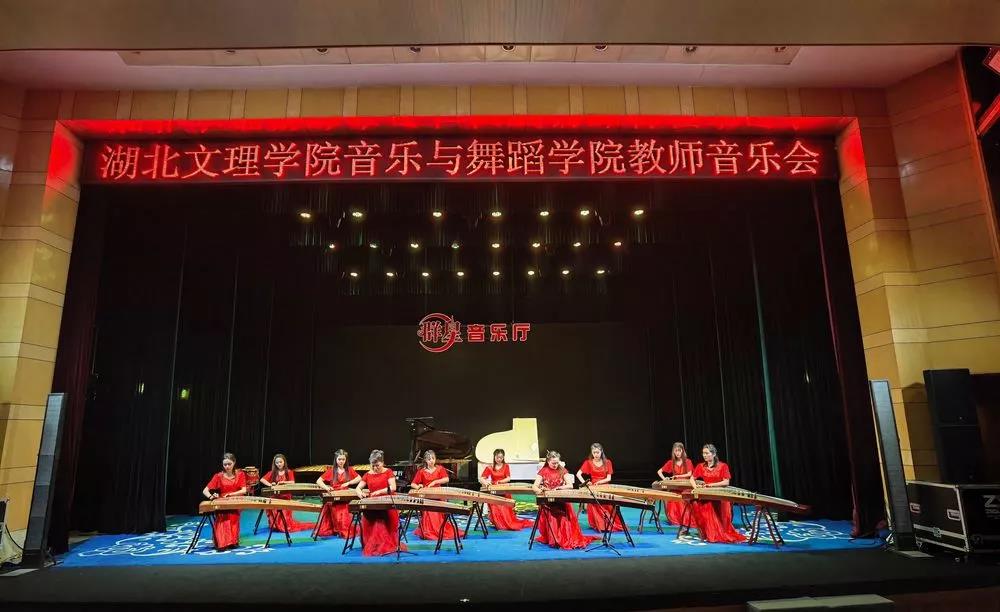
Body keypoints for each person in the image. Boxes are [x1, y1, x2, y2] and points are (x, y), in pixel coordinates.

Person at [532, 450, 597, 549]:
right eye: (553, 463)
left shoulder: (562, 470)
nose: (555, 465)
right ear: (548, 461)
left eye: (557, 463)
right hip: (548, 500)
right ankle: (553, 539)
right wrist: (540, 491)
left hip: (561, 500)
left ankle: (562, 539)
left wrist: (560, 488)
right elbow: (534, 486)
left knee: (563, 519)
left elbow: (570, 485)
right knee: (551, 519)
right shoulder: (543, 471)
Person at [689, 443, 747, 544]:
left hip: (720, 495)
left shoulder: (723, 466)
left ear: (714, 454)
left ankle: (717, 532)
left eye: (707, 453)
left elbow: (726, 482)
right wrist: (696, 488)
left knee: (718, 507)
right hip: (707, 495)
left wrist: (710, 485)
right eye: (703, 453)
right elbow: (691, 479)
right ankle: (710, 531)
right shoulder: (700, 466)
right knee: (700, 504)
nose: (704, 455)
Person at [355, 450, 406, 556]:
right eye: (373, 466)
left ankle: (383, 545)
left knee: (382, 522)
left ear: (382, 462)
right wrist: (360, 494)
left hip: (387, 502)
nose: (375, 468)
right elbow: (358, 488)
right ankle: (374, 544)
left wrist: (379, 491)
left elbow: (393, 487)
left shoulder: (388, 472)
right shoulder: (367, 474)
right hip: (373, 503)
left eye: (377, 465)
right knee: (371, 520)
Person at [410, 449, 463, 540]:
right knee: (429, 512)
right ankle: (430, 531)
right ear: (425, 460)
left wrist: (435, 482)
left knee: (438, 513)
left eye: (433, 458)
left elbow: (446, 479)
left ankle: (439, 530)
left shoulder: (439, 468)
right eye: (429, 459)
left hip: (438, 495)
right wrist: (419, 487)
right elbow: (413, 484)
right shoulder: (422, 471)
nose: (431, 461)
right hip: (427, 497)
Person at [201, 452, 247, 550]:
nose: (227, 466)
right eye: (225, 464)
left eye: (229, 464)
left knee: (233, 519)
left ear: (234, 463)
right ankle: (222, 543)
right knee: (223, 519)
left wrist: (231, 494)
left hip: (235, 501)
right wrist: (212, 497)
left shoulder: (240, 474)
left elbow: (244, 490)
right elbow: (205, 490)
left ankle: (232, 541)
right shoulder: (218, 476)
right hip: (223, 502)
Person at [478, 448, 533, 530]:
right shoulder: (490, 467)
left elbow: (508, 478)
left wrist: (500, 481)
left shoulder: (506, 466)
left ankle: (506, 523)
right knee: (495, 507)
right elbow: (482, 478)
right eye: (497, 457)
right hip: (494, 490)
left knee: (505, 510)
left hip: (504, 489)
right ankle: (498, 522)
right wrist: (486, 483)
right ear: (494, 457)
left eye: (501, 457)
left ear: (503, 457)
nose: (499, 459)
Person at [259, 453, 314, 533]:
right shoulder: (273, 472)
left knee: (286, 524)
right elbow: (262, 479)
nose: (279, 464)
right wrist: (270, 484)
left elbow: (292, 482)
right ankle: (276, 525)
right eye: (277, 463)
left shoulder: (288, 472)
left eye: (280, 462)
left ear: (284, 462)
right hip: (275, 497)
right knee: (273, 509)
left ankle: (282, 525)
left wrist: (284, 482)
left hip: (285, 497)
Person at [575, 442, 625, 532]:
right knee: (594, 503)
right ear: (591, 452)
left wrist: (600, 482)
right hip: (594, 487)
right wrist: (585, 483)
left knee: (607, 505)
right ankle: (598, 524)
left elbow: (609, 478)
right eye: (594, 452)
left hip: (605, 486)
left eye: (597, 452)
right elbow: (578, 474)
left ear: (601, 451)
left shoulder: (607, 462)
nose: (596, 454)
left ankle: (607, 524)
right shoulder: (588, 462)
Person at [314, 449, 361, 537]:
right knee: (336, 511)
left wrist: (348, 483)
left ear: (346, 460)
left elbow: (359, 478)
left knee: (343, 512)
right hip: (334, 496)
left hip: (344, 497)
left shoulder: (349, 470)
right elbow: (319, 481)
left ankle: (341, 529)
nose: (341, 461)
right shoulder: (332, 470)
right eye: (339, 459)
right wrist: (327, 487)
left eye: (343, 459)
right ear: (336, 459)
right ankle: (336, 529)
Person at [657, 442, 694, 532]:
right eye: (675, 451)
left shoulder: (687, 461)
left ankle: (685, 520)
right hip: (675, 487)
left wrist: (677, 476)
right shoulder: (671, 462)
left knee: (684, 499)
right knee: (672, 498)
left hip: (685, 487)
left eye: (679, 450)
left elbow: (689, 474)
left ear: (682, 451)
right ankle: (676, 520)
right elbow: (659, 471)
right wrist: (665, 479)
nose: (677, 453)